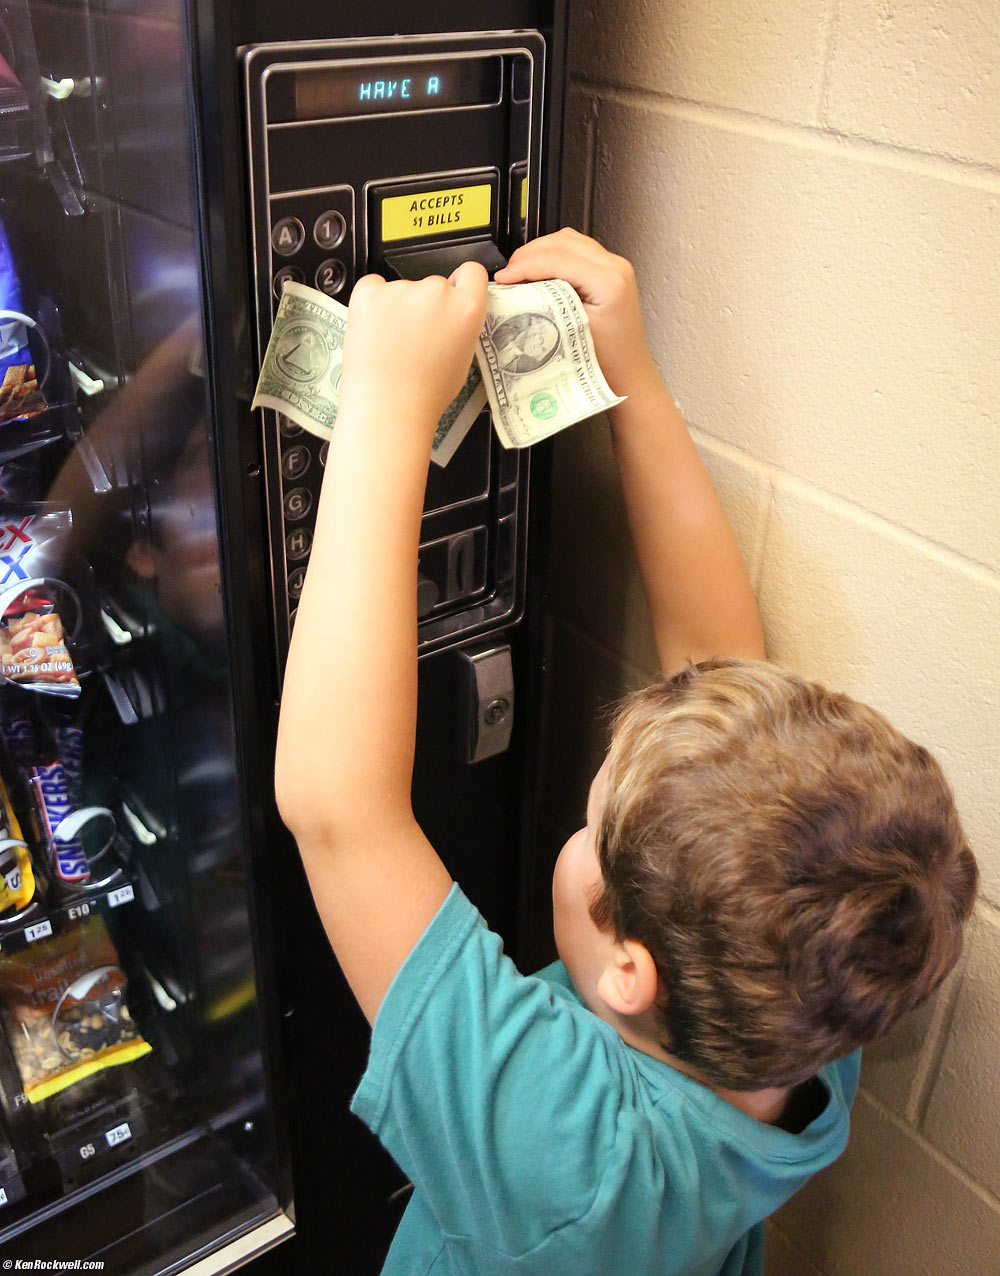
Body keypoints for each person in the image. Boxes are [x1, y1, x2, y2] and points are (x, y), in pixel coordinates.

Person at [274, 229, 978, 1276]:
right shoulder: (821, 1001)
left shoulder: (572, 1156)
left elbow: (340, 809)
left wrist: (384, 407)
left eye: (590, 823)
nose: (581, 820)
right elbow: (716, 666)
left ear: (626, 970)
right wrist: (631, 379)